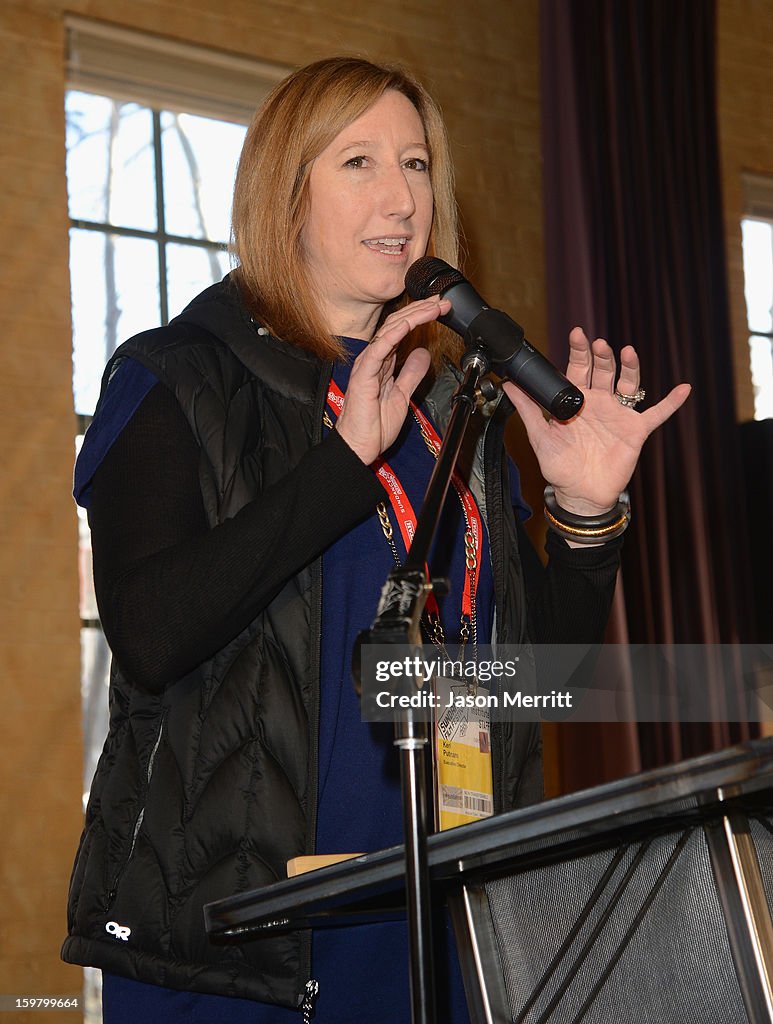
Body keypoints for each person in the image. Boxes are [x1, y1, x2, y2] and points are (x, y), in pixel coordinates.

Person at [61, 56, 690, 1023]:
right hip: (249, 951)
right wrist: (341, 467)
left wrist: (583, 510)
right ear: (285, 193)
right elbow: (148, 636)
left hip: (437, 924)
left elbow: (529, 674)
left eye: (416, 163)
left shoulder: (449, 403)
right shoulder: (179, 379)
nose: (401, 197)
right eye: (357, 162)